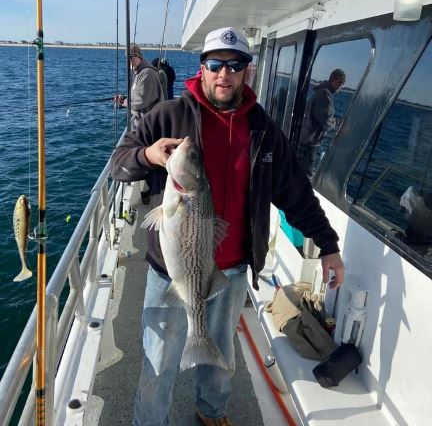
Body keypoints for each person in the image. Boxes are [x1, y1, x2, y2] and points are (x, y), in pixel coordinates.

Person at [110, 26, 345, 426]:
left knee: (221, 358)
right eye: (216, 64)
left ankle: (212, 412)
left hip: (232, 272)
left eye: (235, 66)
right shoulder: (167, 114)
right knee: (158, 363)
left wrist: (328, 244)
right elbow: (119, 163)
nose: (225, 74)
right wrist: (148, 154)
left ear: (247, 73)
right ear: (202, 68)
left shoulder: (262, 128)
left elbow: (296, 192)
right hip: (171, 271)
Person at [297, 68, 346, 177]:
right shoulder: (324, 94)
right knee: (305, 174)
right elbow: (327, 122)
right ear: (333, 80)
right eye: (340, 82)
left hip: (305, 139)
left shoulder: (322, 92)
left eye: (343, 83)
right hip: (308, 143)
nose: (341, 86)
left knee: (301, 171)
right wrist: (338, 124)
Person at [115, 44, 165, 128]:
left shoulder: (147, 73)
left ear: (140, 57)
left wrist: (125, 102)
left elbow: (141, 100)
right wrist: (124, 98)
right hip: (141, 124)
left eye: (132, 57)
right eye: (127, 58)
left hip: (150, 125)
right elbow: (139, 94)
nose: (130, 60)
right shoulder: (138, 73)